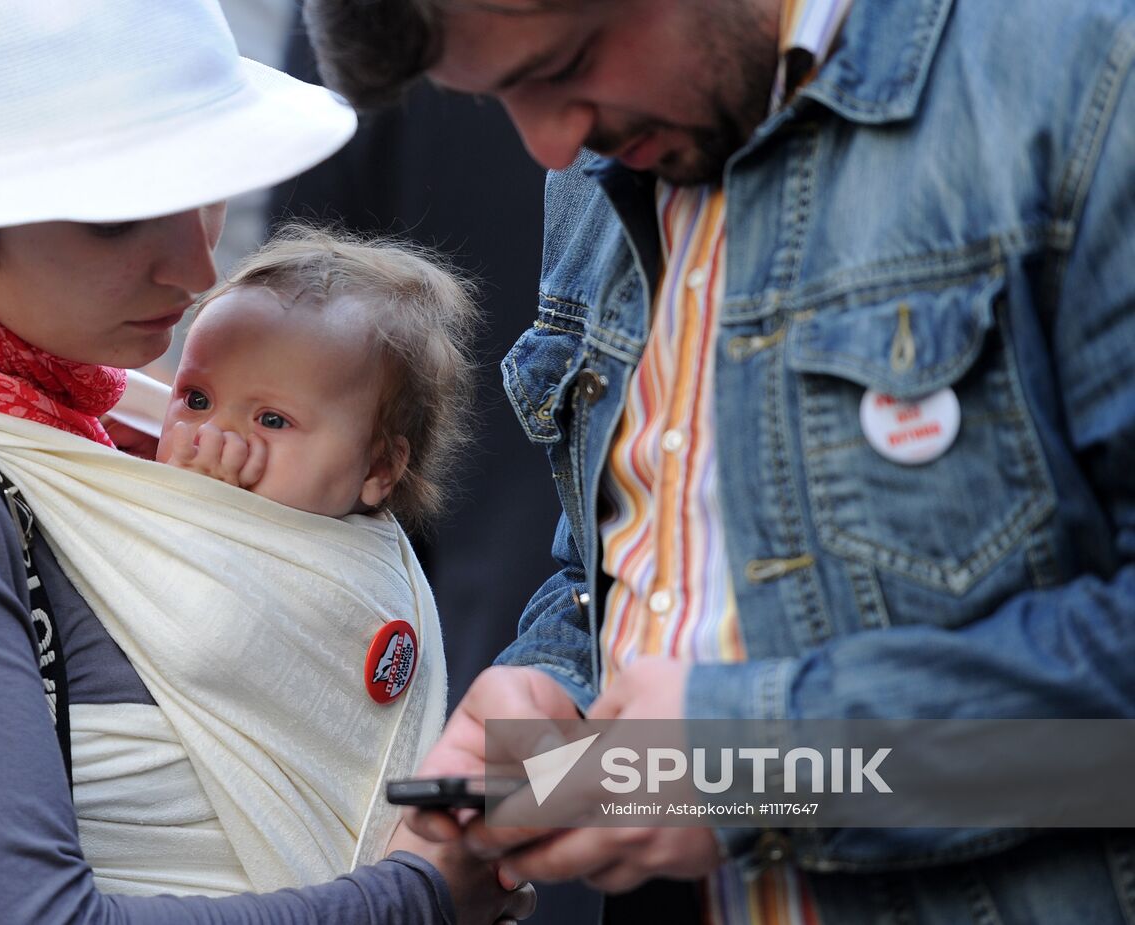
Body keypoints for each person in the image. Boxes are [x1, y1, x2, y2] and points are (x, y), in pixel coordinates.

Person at [303, 0, 1135, 921]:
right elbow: (640, 559)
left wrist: (761, 764)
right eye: (499, 97)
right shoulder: (602, 165)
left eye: (567, 62)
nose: (548, 141)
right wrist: (554, 685)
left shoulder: (1085, 73)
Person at [0, 1, 537, 923]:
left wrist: (679, 781)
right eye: (119, 218)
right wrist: (422, 896)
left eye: (211, 186)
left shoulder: (53, 391)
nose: (196, 268)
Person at [156, 226, 475, 533]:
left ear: (379, 467)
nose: (210, 433)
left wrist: (193, 511)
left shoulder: (332, 572)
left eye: (272, 420)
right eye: (196, 400)